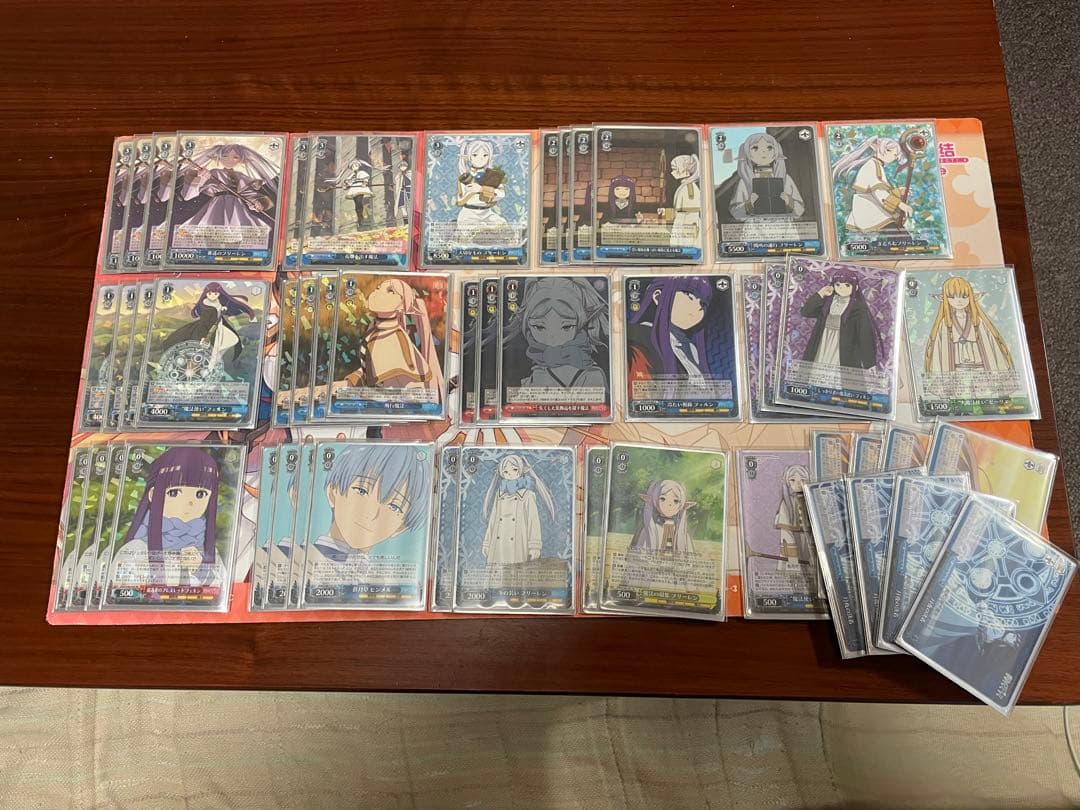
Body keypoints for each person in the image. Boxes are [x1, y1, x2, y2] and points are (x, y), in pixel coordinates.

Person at [504, 276, 608, 391]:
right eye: (539, 327)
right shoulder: (534, 373)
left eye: (566, 326)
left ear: (580, 324)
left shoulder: (592, 375)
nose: (552, 336)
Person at [924, 276, 1013, 375]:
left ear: (971, 296)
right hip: (956, 370)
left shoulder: (977, 321)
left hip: (980, 367)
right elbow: (939, 348)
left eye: (964, 296)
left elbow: (990, 343)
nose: (959, 301)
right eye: (952, 297)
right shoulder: (945, 323)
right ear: (945, 298)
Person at [162, 282, 257, 373]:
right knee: (205, 351)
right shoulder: (206, 306)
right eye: (210, 293)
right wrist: (203, 337)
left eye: (215, 294)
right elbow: (203, 323)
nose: (212, 296)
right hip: (207, 330)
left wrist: (222, 309)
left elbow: (218, 312)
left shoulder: (218, 302)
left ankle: (214, 361)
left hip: (218, 327)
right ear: (206, 293)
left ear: (219, 294)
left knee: (232, 339)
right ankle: (201, 368)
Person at [831, 136, 914, 236]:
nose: (895, 158)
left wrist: (898, 192)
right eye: (894, 155)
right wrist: (900, 204)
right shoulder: (872, 166)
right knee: (901, 236)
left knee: (900, 236)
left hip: (872, 206)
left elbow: (880, 190)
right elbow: (879, 193)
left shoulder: (876, 165)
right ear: (885, 150)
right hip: (869, 208)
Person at [481, 454, 556, 565]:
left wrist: (534, 547)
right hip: (498, 545)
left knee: (516, 571)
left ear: (520, 470)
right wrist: (487, 543)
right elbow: (493, 520)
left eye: (514, 469)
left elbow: (533, 522)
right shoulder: (499, 495)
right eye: (505, 471)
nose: (510, 474)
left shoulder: (527, 495)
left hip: (518, 543)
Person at [799, 270, 879, 369]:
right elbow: (805, 312)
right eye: (837, 284)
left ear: (856, 287)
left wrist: (870, 363)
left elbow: (865, 335)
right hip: (822, 343)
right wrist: (820, 293)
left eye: (847, 285)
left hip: (843, 348)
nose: (841, 288)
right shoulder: (827, 301)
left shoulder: (858, 308)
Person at [630, 479, 697, 556]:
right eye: (662, 499)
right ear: (655, 500)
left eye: (675, 501)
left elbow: (688, 555)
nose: (669, 504)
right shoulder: (649, 530)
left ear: (681, 504)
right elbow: (640, 554)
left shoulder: (681, 533)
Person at [661, 154, 702, 246]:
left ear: (685, 170)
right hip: (684, 226)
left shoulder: (689, 188)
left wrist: (667, 213)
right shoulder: (685, 186)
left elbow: (687, 212)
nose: (673, 172)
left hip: (687, 226)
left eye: (675, 169)